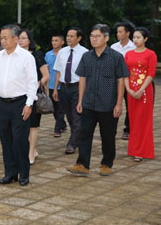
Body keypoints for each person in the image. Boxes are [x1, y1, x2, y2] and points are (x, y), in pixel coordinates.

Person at [67, 24, 129, 177]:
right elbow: (82, 79)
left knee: (107, 136)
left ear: (106, 38)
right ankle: (82, 164)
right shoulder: (87, 56)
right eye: (92, 36)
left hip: (108, 104)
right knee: (84, 134)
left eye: (97, 36)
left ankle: (107, 164)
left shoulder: (116, 57)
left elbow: (121, 80)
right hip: (88, 103)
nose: (94, 39)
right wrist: (80, 101)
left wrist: (119, 103)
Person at [0, 24, 37, 186]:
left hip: (20, 103)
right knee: (6, 139)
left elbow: (32, 82)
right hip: (3, 103)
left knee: (20, 140)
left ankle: (24, 173)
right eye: (1, 38)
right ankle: (10, 173)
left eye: (6, 38)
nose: (2, 41)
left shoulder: (26, 57)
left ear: (16, 39)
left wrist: (29, 104)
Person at [52, 27, 88, 154]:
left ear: (79, 38)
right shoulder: (62, 52)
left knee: (77, 115)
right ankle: (77, 137)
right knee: (69, 116)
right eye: (67, 35)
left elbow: (86, 75)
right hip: (64, 88)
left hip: (78, 87)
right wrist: (56, 89)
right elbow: (58, 71)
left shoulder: (85, 53)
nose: (68, 38)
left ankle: (72, 144)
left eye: (72, 36)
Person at [124, 27, 157, 162]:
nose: (135, 40)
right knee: (133, 120)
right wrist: (128, 89)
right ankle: (133, 149)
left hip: (144, 92)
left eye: (138, 37)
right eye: (134, 37)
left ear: (145, 39)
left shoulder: (151, 54)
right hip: (131, 91)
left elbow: (150, 74)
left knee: (143, 121)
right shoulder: (128, 54)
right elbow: (125, 73)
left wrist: (141, 90)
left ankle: (142, 151)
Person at [18, 29, 49, 165]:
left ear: (29, 40)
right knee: (21, 125)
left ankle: (31, 152)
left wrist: (36, 84)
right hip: (18, 94)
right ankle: (28, 149)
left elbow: (46, 75)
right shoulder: (15, 55)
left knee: (33, 126)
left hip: (33, 95)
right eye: (19, 38)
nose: (20, 40)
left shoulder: (37, 55)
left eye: (24, 38)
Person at [112, 22, 136, 140]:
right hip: (115, 82)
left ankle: (128, 129)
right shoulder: (113, 47)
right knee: (112, 105)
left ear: (127, 33)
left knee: (130, 106)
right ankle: (111, 129)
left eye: (120, 31)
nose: (118, 34)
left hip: (129, 82)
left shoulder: (134, 47)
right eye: (117, 32)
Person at [45, 34, 67, 137]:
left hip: (62, 86)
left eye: (56, 40)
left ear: (62, 42)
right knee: (54, 109)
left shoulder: (65, 54)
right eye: (53, 40)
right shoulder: (48, 55)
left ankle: (57, 129)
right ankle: (62, 124)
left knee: (60, 109)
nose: (54, 42)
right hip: (51, 86)